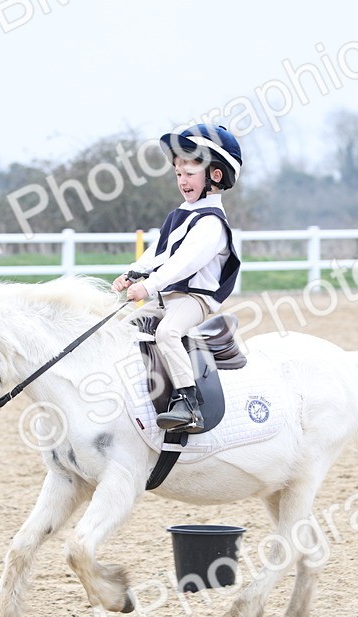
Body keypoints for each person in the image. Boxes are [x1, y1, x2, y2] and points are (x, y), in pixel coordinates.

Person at [111, 124, 242, 434]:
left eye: (189, 173)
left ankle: (188, 402)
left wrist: (149, 285)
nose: (182, 180)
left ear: (216, 176)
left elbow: (181, 264)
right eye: (178, 174)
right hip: (166, 298)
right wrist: (133, 273)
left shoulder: (211, 224)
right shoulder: (181, 214)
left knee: (168, 333)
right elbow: (160, 250)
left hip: (193, 300)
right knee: (122, 330)